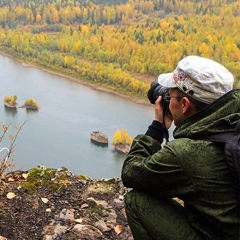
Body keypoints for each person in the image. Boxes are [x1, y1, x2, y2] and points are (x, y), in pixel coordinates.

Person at [121, 56, 240, 240]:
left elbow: (131, 173)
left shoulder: (188, 152)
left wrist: (157, 127)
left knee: (136, 201)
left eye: (171, 95)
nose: (168, 100)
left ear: (185, 105)